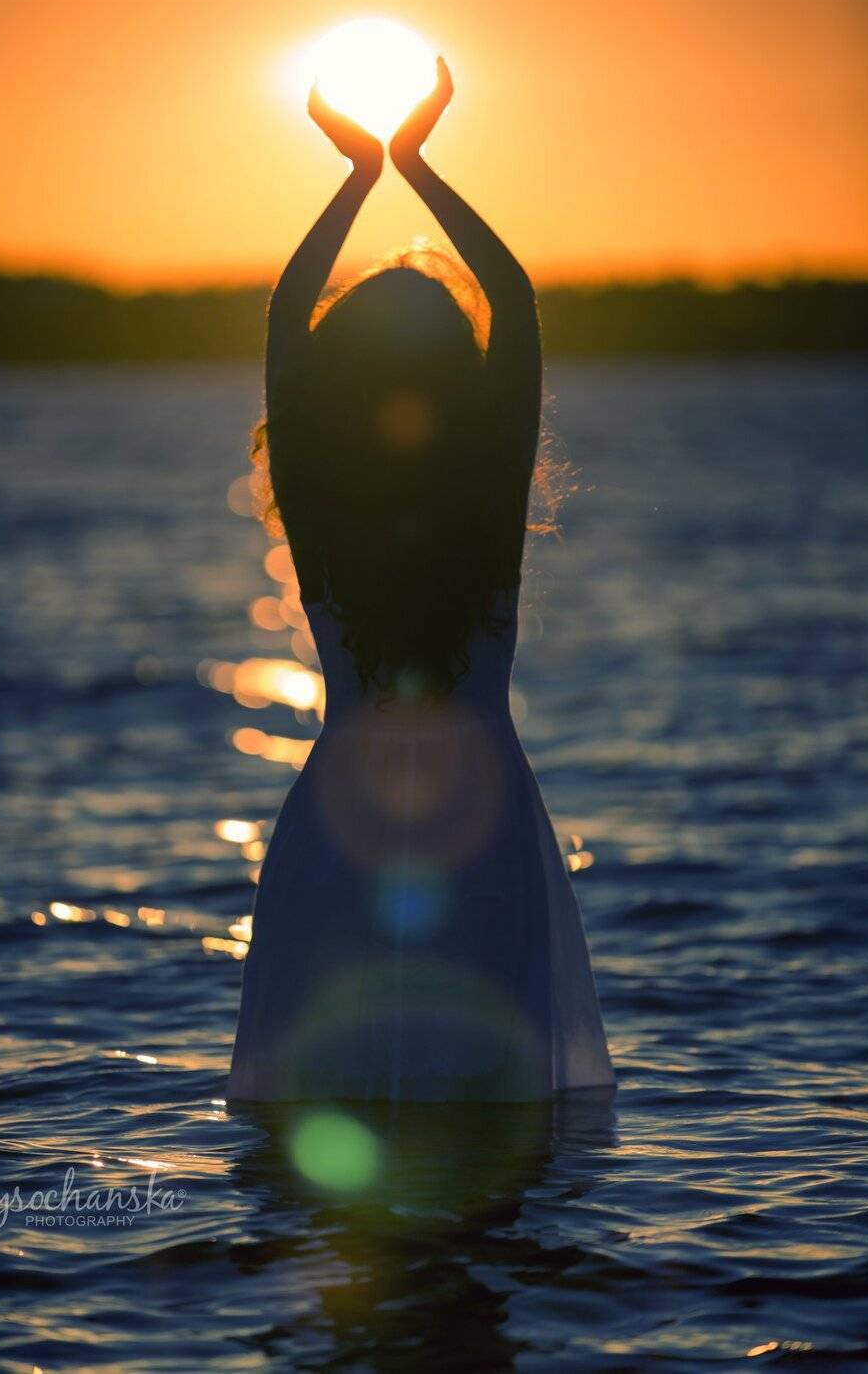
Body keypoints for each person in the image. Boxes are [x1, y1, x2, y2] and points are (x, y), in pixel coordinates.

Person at [226, 59, 613, 1101]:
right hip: (482, 818)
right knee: (488, 1122)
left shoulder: (324, 508)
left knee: (325, 1111)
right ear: (461, 380)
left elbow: (283, 328)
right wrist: (419, 167)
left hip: (336, 820)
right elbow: (518, 304)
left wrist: (356, 177)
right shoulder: (485, 513)